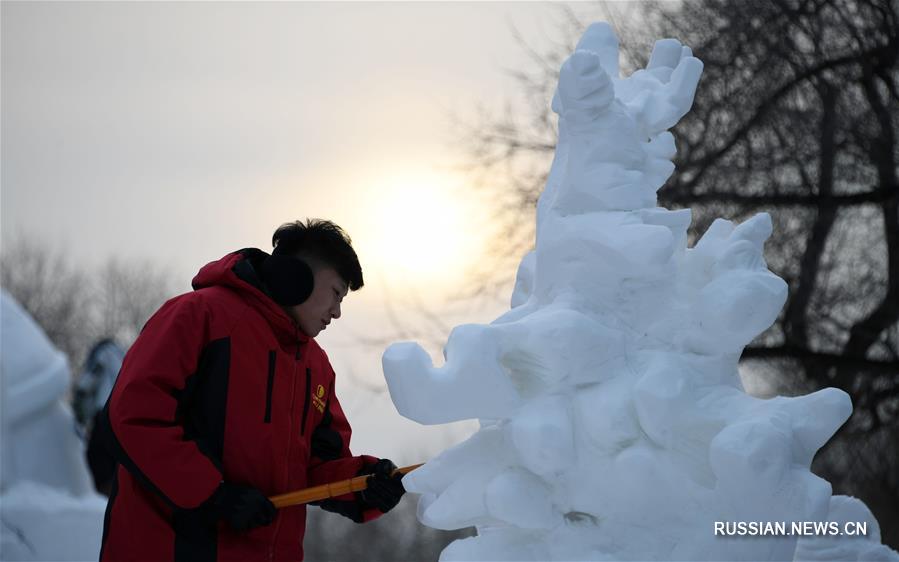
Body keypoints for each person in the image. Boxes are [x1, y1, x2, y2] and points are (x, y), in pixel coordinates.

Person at [97, 219, 406, 562]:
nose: (336, 312)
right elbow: (134, 417)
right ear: (296, 276)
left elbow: (320, 466)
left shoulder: (316, 368)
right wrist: (213, 495)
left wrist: (364, 485)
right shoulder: (199, 316)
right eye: (336, 293)